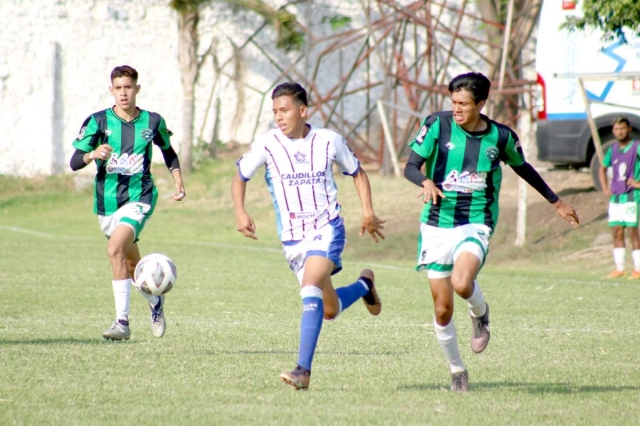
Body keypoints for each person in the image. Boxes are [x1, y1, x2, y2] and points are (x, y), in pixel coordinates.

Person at [403, 72, 579, 392]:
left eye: (463, 104)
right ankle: (457, 370)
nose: (456, 109)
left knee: (461, 281)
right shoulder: (436, 125)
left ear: (481, 104)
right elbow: (410, 167)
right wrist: (425, 181)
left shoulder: (500, 138)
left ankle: (480, 315)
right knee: (442, 310)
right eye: (453, 102)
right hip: (436, 223)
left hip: (476, 220)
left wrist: (556, 201)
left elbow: (523, 167)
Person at [232, 82, 385, 391]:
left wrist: (367, 211)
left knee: (310, 285)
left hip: (327, 228)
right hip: (292, 238)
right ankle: (364, 285)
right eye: (275, 111)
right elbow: (240, 176)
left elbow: (357, 172)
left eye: (285, 110)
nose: (279, 117)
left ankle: (303, 370)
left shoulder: (329, 141)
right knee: (328, 310)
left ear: (303, 110)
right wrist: (240, 212)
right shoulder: (266, 144)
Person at [69, 65, 186, 341]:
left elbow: (169, 153)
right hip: (107, 203)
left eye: (128, 87)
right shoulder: (98, 122)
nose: (123, 93)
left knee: (114, 250)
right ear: (111, 90)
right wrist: (92, 154)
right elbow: (75, 162)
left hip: (140, 197)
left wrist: (178, 179)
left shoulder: (153, 122)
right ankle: (155, 303)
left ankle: (122, 323)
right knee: (132, 266)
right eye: (118, 88)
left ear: (137, 89)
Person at [598, 116, 640, 279]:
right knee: (616, 231)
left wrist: (638, 183)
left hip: (631, 196)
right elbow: (602, 168)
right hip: (615, 197)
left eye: (622, 129)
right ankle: (619, 269)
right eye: (616, 129)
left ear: (629, 130)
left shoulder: (636, 147)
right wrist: (605, 187)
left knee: (633, 232)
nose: (619, 132)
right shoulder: (613, 149)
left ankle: (637, 269)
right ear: (613, 131)